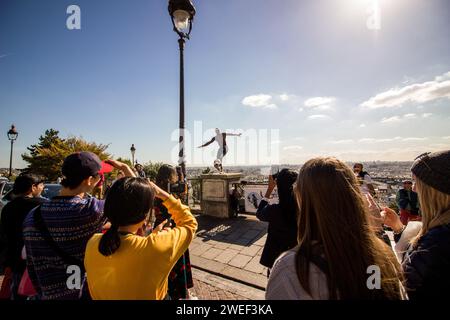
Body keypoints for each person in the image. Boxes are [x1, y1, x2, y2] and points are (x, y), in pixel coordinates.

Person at [266, 157, 404, 300]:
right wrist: (376, 234)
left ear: (303, 200)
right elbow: (376, 288)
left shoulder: (291, 269)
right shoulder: (381, 259)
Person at [22, 152, 134, 300]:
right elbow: (137, 195)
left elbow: (31, 264)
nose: (101, 179)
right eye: (99, 176)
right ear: (89, 180)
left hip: (46, 293)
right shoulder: (89, 211)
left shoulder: (33, 216)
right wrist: (126, 169)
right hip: (80, 293)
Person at [84, 177, 198, 300]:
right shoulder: (156, 247)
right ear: (145, 215)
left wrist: (152, 238)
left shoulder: (93, 243)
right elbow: (190, 223)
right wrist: (163, 195)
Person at [383, 150, 450, 300]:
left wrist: (377, 236)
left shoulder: (436, 244)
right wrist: (399, 228)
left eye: (415, 181)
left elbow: (398, 291)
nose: (413, 188)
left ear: (434, 190)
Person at [152, 164, 194, 300]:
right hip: (174, 228)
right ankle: (182, 293)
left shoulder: (155, 192)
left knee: (164, 263)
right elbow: (183, 210)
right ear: (171, 177)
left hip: (159, 228)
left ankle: (168, 291)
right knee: (177, 259)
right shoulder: (170, 194)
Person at [0, 174, 46, 299]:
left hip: (15, 261)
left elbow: (4, 236)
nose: (43, 187)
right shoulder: (42, 206)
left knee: (17, 292)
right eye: (41, 185)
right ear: (33, 187)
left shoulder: (7, 208)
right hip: (39, 260)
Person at [256, 169, 298, 277]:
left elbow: (259, 214)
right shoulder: (304, 211)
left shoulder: (274, 211)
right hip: (296, 260)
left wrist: (270, 189)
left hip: (276, 260)